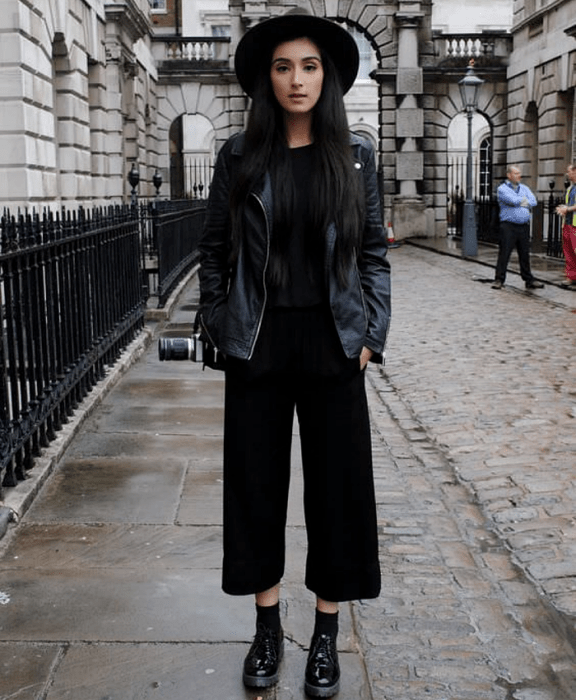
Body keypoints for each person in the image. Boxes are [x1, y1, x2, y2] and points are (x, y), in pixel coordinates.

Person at [197, 8, 391, 698]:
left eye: (309, 66)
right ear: (266, 79)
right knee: (256, 490)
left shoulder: (357, 156)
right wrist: (220, 324)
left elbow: (373, 255)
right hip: (260, 343)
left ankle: (327, 635)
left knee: (339, 493)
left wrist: (371, 335)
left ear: (328, 75)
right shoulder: (240, 155)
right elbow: (214, 250)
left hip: (335, 343)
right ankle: (268, 627)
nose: (297, 79)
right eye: (283, 66)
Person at [491, 165, 544, 290]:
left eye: (519, 173)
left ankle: (528, 279)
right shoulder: (502, 189)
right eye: (516, 173)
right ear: (509, 175)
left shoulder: (524, 188)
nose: (519, 176)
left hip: (523, 226)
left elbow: (534, 201)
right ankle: (499, 279)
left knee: (524, 254)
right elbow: (512, 201)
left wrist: (520, 201)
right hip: (508, 226)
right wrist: (523, 202)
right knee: (505, 253)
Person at [555, 164, 576, 286]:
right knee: (568, 252)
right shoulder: (570, 189)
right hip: (568, 224)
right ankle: (571, 277)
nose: (567, 174)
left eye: (569, 171)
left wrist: (567, 209)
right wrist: (562, 209)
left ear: (574, 171)